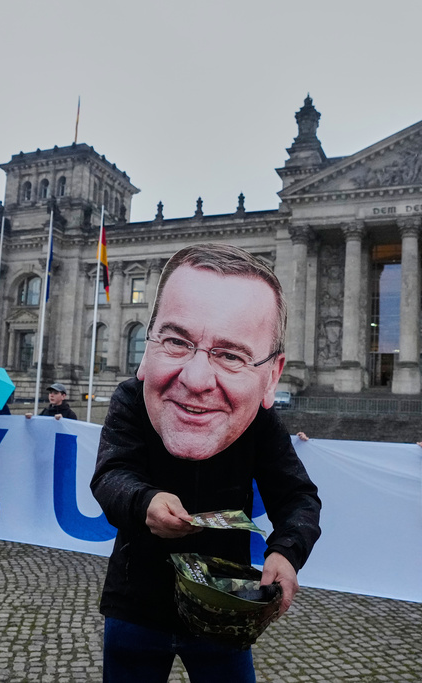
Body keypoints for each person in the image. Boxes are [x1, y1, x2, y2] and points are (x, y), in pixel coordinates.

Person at [90, 243, 322, 682]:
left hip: (223, 606)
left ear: (271, 375)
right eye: (177, 342)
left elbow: (298, 498)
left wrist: (287, 552)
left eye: (231, 355)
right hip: (135, 603)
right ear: (148, 346)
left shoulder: (259, 419)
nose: (196, 380)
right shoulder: (130, 399)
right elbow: (110, 475)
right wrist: (146, 501)